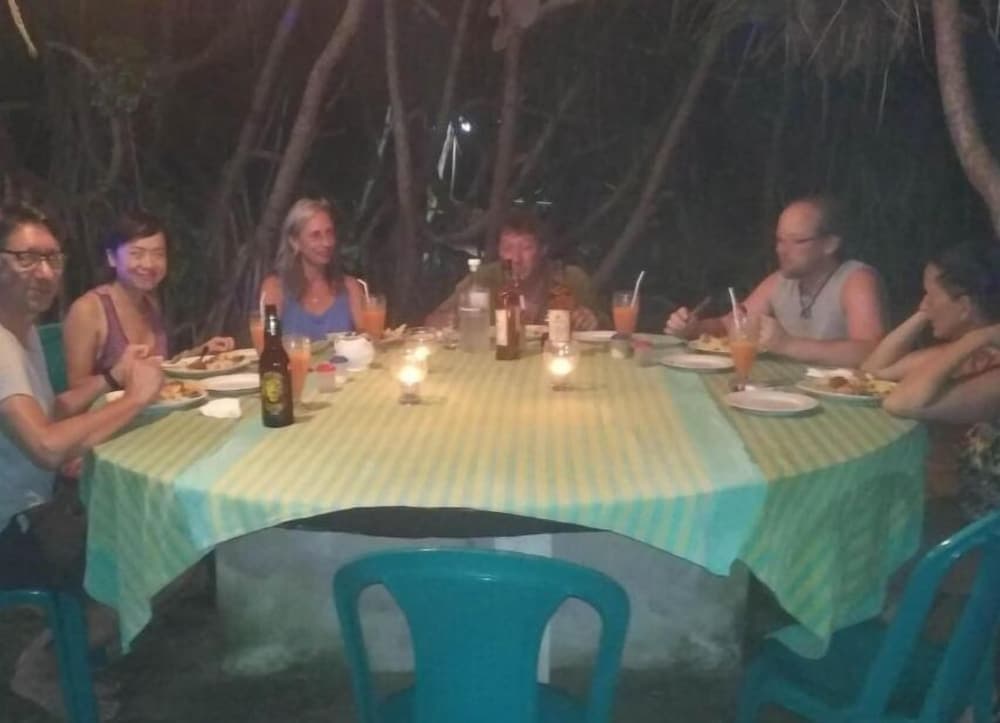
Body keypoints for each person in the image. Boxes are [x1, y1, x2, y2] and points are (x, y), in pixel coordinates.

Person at [0, 202, 163, 719]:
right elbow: (47, 445)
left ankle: (77, 656)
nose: (45, 272)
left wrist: (113, 377)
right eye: (26, 258)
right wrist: (134, 399)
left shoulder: (20, 331)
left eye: (52, 259)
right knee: (144, 554)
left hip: (38, 504)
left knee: (143, 527)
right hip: (14, 526)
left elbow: (49, 413)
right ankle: (44, 669)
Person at [665, 196, 887, 367]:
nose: (782, 250)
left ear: (830, 244)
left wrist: (789, 345)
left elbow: (871, 351)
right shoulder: (780, 281)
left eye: (797, 241)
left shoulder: (856, 280)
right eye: (780, 240)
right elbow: (731, 324)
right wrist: (694, 328)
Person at [866, 241, 1000, 522]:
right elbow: (874, 371)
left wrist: (979, 336)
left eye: (930, 295)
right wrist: (923, 315)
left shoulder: (992, 372)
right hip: (958, 506)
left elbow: (901, 402)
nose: (924, 304)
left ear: (964, 306)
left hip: (978, 531)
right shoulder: (958, 355)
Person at [62, 209, 233, 390]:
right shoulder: (88, 310)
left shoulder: (150, 302)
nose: (149, 264)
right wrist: (116, 376)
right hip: (112, 408)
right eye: (137, 254)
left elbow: (157, 367)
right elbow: (75, 394)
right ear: (112, 258)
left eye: (158, 254)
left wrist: (200, 353)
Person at [426, 208, 603, 329]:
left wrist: (591, 321)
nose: (516, 259)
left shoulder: (570, 279)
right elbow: (433, 320)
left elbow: (607, 328)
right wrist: (447, 322)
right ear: (499, 250)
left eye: (526, 248)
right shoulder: (484, 280)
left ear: (543, 250)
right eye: (508, 248)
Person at [259, 198, 365, 340]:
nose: (326, 243)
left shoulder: (350, 287)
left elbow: (369, 341)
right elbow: (269, 344)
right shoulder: (274, 288)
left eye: (329, 233)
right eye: (316, 235)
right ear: (294, 242)